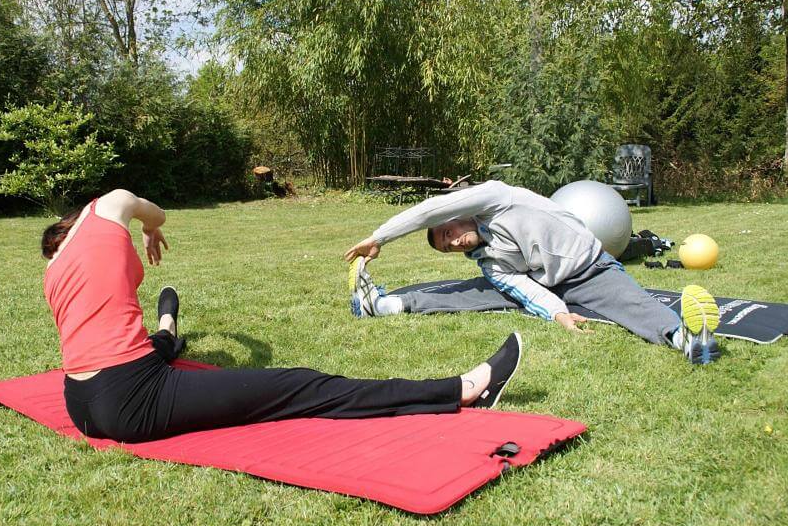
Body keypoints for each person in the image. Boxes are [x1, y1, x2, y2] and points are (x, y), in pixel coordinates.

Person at [43, 189, 522, 443]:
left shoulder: (53, 272)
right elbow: (158, 214)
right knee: (301, 386)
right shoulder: (110, 205)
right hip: (132, 399)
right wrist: (148, 229)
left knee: (160, 348)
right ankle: (464, 390)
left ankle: (168, 320)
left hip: (80, 403)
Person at [343, 180, 721, 365]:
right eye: (447, 246)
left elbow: (429, 209)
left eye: (448, 233)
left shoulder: (495, 197)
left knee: (629, 302)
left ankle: (688, 339)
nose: (454, 242)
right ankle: (385, 305)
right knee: (472, 294)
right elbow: (525, 288)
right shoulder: (489, 262)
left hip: (589, 269)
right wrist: (558, 313)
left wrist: (379, 238)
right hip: (547, 283)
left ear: (455, 218)